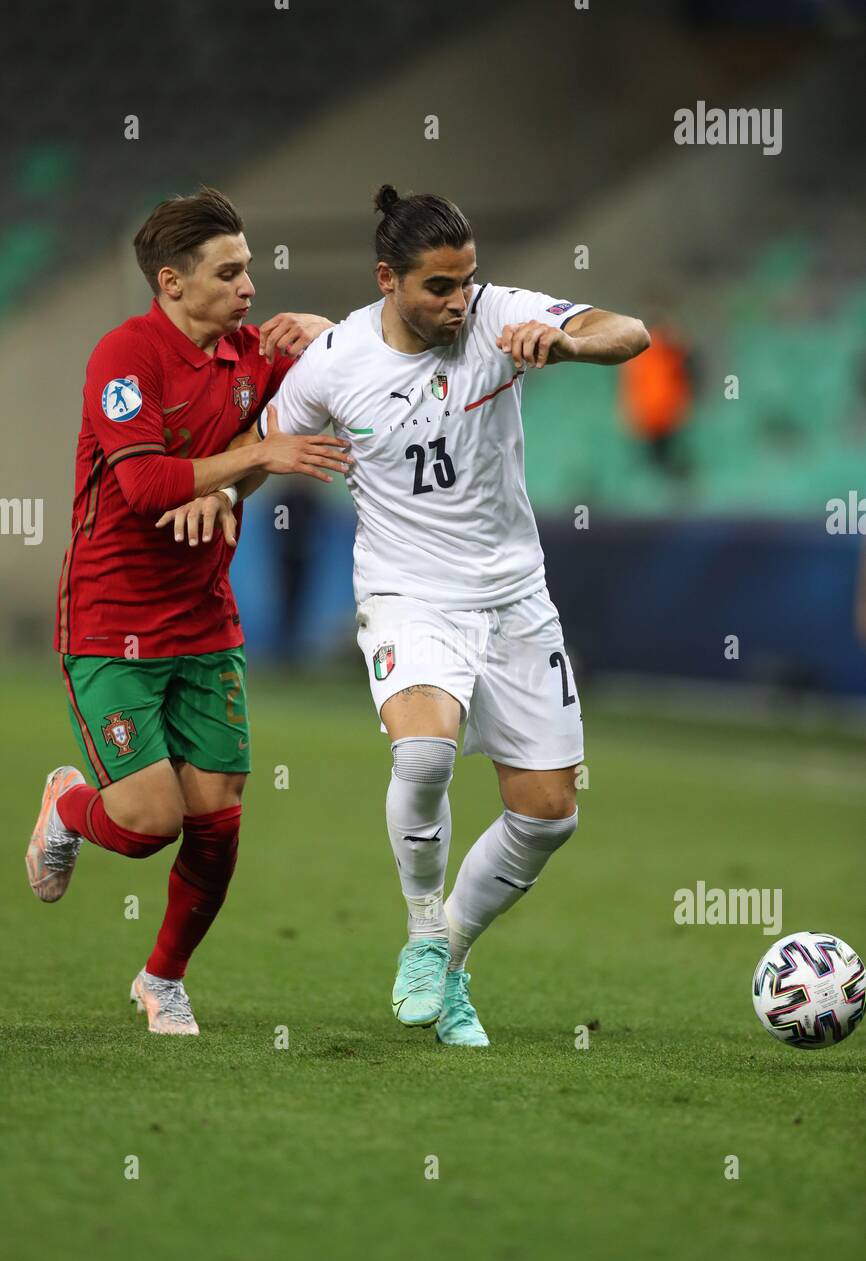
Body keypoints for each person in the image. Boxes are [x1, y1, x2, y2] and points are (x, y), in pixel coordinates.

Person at [165, 184, 649, 1046]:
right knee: (424, 752)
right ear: (388, 279)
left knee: (549, 815)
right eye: (438, 287)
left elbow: (633, 333)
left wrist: (567, 340)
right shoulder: (337, 360)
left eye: (467, 282)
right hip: (407, 592)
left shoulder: (501, 315)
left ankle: (450, 960)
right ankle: (426, 930)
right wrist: (220, 490)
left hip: (514, 598)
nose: (458, 301)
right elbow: (263, 444)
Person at [25, 186, 350, 1035]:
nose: (250, 286)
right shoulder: (124, 358)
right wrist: (259, 454)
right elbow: (142, 487)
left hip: (204, 619)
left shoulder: (252, 356)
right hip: (109, 620)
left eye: (251, 267)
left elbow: (353, 368)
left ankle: (162, 978)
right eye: (230, 272)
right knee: (145, 825)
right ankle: (66, 804)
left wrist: (323, 332)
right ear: (171, 282)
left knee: (217, 819)